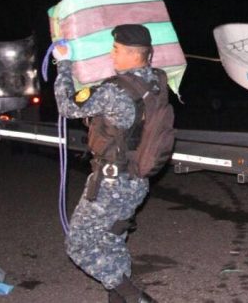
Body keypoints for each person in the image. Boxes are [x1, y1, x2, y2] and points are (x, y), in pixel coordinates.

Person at [54, 24, 162, 303]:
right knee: (112, 242)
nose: (111, 55)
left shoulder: (116, 90)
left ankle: (135, 297)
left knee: (79, 245)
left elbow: (67, 106)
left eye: (116, 50)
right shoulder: (155, 83)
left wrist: (63, 64)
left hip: (112, 184)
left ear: (133, 54)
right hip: (137, 180)